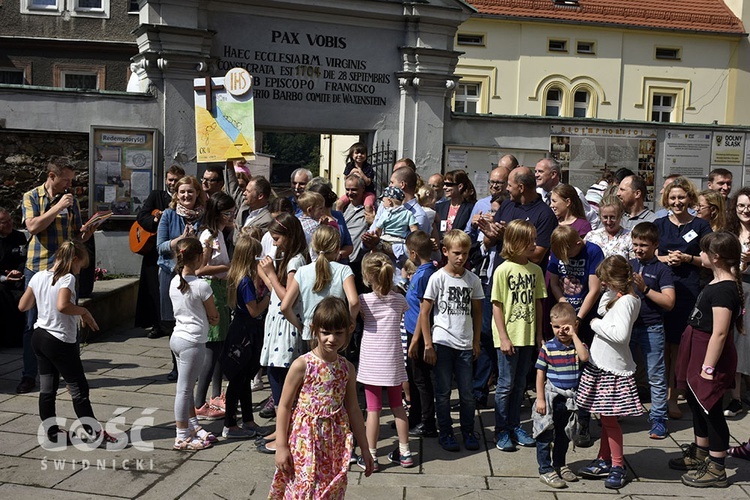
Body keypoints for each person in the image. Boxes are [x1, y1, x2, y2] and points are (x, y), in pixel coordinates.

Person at [19, 240, 121, 447]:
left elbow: (24, 305)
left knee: (47, 388)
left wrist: (43, 298)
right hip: (58, 340)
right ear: (73, 260)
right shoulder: (67, 278)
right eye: (80, 267)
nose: (79, 271)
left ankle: (52, 433)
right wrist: (83, 311)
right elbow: (63, 305)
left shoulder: (39, 276)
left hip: (39, 336)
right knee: (78, 389)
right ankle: (95, 435)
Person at [270, 297, 373, 497]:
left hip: (335, 441)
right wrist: (281, 446)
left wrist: (366, 449)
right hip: (305, 440)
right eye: (326, 332)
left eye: (338, 333)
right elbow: (283, 406)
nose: (332, 339)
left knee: (329, 490)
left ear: (349, 329)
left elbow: (353, 409)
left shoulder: (347, 368)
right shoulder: (302, 365)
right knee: (304, 488)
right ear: (314, 329)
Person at [668, 232, 743, 488]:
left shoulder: (725, 289)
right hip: (696, 346)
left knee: (710, 409)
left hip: (709, 354)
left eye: (703, 252)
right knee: (696, 401)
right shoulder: (716, 281)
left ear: (716, 257)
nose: (699, 256)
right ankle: (701, 453)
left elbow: (720, 333)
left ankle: (717, 467)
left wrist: (708, 367)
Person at [18, 157, 95, 394]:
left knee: (67, 318)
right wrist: (58, 207)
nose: (69, 185)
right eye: (65, 180)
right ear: (51, 176)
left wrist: (88, 232)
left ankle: (66, 371)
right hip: (38, 266)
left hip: (65, 268)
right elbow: (32, 227)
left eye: (71, 180)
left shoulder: (70, 201)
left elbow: (76, 236)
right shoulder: (32, 196)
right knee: (33, 324)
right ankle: (29, 375)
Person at [576, 255, 643, 490]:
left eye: (606, 280)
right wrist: (608, 293)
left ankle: (617, 465)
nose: (603, 284)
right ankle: (604, 459)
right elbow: (604, 308)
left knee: (610, 421)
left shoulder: (626, 302)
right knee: (606, 418)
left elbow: (621, 335)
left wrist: (594, 325)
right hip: (603, 365)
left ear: (615, 279)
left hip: (611, 370)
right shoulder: (620, 298)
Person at [419, 230, 484, 452]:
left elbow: (477, 312)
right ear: (445, 251)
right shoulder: (437, 278)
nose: (461, 257)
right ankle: (446, 431)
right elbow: (425, 312)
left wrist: (476, 341)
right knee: (443, 392)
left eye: (465, 253)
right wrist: (428, 344)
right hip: (443, 342)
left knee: (466, 393)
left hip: (465, 343)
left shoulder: (472, 279)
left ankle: (467, 430)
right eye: (457, 253)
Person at [655, 176, 712, 419]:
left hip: (688, 291)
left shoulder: (700, 226)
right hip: (661, 289)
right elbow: (649, 254)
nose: (677, 202)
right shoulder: (659, 224)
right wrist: (667, 259)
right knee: (661, 345)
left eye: (681, 197)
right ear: (666, 199)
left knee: (679, 346)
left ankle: (674, 396)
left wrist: (688, 258)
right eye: (673, 197)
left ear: (689, 198)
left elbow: (709, 259)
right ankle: (660, 395)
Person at [492, 220, 547, 452]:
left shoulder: (535, 270)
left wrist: (538, 335)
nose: (534, 244)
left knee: (519, 385)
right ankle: (501, 429)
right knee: (505, 384)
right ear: (515, 243)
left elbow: (538, 304)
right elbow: (497, 305)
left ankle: (515, 426)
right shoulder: (503, 270)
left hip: (527, 335)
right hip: (509, 337)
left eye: (535, 239)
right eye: (529, 240)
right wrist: (503, 337)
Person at [356, 252, 412, 470]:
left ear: (368, 276)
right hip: (393, 359)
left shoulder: (364, 301)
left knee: (373, 410)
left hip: (372, 360)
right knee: (398, 406)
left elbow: (363, 320)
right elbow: (399, 317)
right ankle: (405, 452)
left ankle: (371, 455)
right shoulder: (399, 300)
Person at [256, 213, 309, 435]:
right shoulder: (290, 257)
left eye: (277, 239)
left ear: (289, 236)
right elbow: (276, 292)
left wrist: (271, 274)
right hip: (278, 323)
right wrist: (266, 273)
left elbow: (287, 297)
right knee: (275, 373)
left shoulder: (295, 261)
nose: (274, 244)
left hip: (286, 326)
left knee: (279, 375)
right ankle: (282, 428)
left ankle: (283, 430)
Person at [168, 238, 219, 451]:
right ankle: (181, 435)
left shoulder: (174, 281)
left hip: (178, 338)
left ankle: (192, 426)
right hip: (193, 341)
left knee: (185, 388)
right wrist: (211, 318)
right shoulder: (201, 286)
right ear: (198, 258)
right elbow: (214, 315)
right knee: (185, 390)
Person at [533, 303, 589, 489]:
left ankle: (560, 463)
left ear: (574, 325)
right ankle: (545, 469)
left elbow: (584, 358)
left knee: (564, 435)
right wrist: (540, 398)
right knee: (545, 434)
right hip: (552, 399)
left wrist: (574, 336)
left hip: (569, 400)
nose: (561, 331)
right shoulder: (547, 348)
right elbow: (540, 374)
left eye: (566, 326)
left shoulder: (576, 346)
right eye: (557, 327)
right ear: (551, 325)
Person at [629, 222, 675, 439]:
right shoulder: (629, 264)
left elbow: (669, 302)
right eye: (635, 244)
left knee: (655, 376)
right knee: (621, 371)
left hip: (652, 327)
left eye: (644, 245)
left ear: (656, 245)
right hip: (628, 327)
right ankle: (618, 409)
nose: (638, 249)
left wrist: (645, 289)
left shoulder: (662, 270)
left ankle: (658, 419)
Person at [220, 234, 270, 439]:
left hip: (240, 329)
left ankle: (248, 420)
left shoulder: (236, 275)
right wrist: (269, 296)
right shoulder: (246, 281)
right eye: (257, 255)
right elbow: (254, 310)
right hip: (246, 332)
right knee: (238, 380)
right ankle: (230, 424)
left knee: (243, 379)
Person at [157, 176, 206, 380]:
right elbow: (159, 247)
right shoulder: (169, 215)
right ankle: (176, 366)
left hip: (197, 275)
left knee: (197, 320)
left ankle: (198, 365)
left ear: (197, 194)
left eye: (190, 192)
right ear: (176, 195)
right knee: (173, 321)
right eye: (182, 192)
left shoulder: (204, 216)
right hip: (171, 275)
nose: (186, 195)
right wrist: (178, 241)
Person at [194, 192, 236, 420]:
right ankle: (199, 402)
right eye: (228, 212)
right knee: (212, 346)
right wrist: (229, 266)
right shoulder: (208, 236)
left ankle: (216, 394)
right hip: (212, 289)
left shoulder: (220, 232)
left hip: (221, 288)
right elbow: (200, 268)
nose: (232, 216)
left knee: (220, 345)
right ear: (218, 213)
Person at [281, 225, 359, 342]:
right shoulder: (343, 270)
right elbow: (354, 302)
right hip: (336, 331)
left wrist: (301, 326)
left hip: (312, 330)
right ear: (337, 248)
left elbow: (285, 307)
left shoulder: (302, 271)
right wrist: (351, 322)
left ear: (313, 246)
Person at [135, 165, 184, 340]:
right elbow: (141, 216)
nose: (172, 183)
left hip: (175, 252)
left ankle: (173, 323)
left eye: (176, 180)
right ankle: (158, 325)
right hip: (154, 252)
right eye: (170, 180)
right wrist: (155, 220)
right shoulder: (157, 195)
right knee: (154, 290)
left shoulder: (184, 198)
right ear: (165, 180)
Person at [405, 231, 439, 437]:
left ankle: (427, 421)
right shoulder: (421, 271)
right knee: (413, 376)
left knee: (421, 379)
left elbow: (423, 310)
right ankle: (414, 416)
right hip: (411, 331)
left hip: (417, 335)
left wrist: (416, 340)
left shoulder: (425, 275)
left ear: (413, 253)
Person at [724, 188, 750, 418]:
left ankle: (740, 396)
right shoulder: (730, 234)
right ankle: (735, 397)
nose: (745, 210)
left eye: (749, 206)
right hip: (735, 288)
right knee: (734, 340)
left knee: (746, 340)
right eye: (741, 205)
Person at [535, 157, 600, 229]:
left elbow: (592, 219)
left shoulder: (573, 192)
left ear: (553, 174)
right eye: (536, 171)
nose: (536, 175)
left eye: (540, 171)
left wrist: (586, 237)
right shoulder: (535, 195)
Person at [0, 207, 27, 346]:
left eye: (10, 220)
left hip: (18, 279)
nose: (10, 224)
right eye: (5, 222)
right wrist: (5, 277)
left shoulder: (19, 237)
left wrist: (19, 272)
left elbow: (24, 259)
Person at [373, 186, 418, 266]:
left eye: (383, 201)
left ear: (389, 201)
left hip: (385, 240)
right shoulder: (408, 213)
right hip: (400, 242)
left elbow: (378, 230)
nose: (382, 204)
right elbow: (415, 231)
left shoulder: (386, 214)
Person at [336, 142, 377, 211]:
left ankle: (370, 220)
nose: (359, 155)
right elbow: (346, 179)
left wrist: (361, 173)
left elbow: (368, 182)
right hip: (352, 193)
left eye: (362, 153)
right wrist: (351, 173)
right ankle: (339, 219)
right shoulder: (349, 166)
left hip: (367, 192)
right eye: (357, 153)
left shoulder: (368, 167)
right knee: (339, 203)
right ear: (352, 155)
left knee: (368, 205)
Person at [436, 170, 475, 240]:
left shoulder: (470, 209)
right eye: (444, 184)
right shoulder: (439, 207)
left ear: (460, 186)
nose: (444, 187)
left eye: (448, 185)